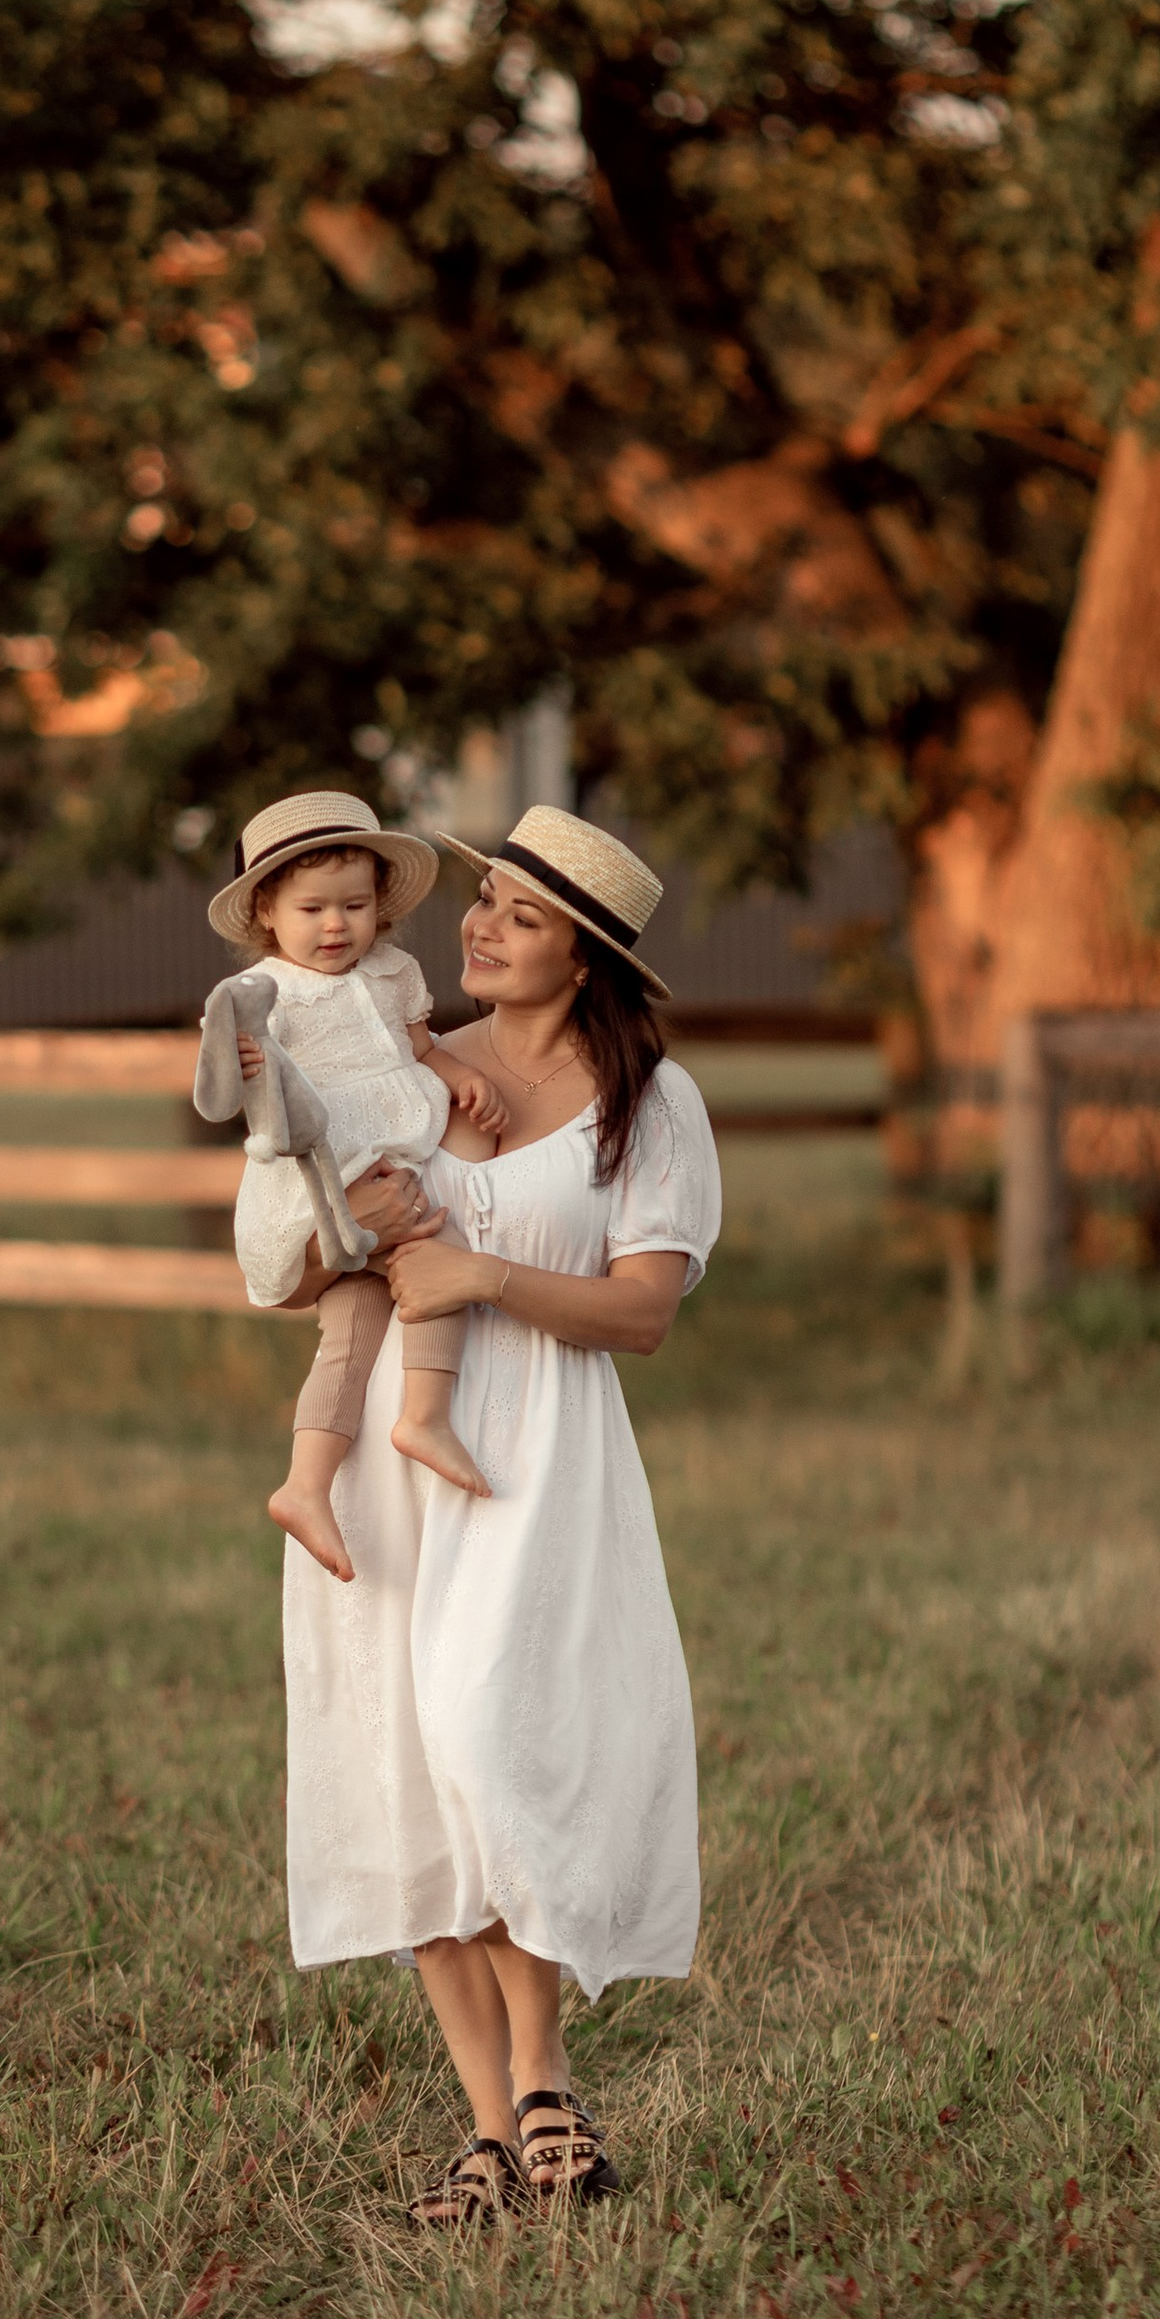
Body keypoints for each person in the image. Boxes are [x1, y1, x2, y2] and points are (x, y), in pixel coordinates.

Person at [273, 805, 721, 2226]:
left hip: (537, 1461)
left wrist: (488, 1283)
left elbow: (644, 1314)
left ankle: (544, 2077)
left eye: (519, 915)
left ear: (581, 954)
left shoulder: (649, 1105)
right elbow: (302, 1250)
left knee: (494, 1741)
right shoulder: (396, 1065)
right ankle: (492, 2128)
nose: (477, 928)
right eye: (480, 904)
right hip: (392, 1471)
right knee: (408, 1779)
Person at [203, 791, 509, 1569]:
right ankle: (336, 1465)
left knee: (399, 1293)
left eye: (355, 905)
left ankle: (387, 1437)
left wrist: (458, 1072)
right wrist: (250, 1069)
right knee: (397, 1279)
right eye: (313, 909)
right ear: (268, 911)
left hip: (393, 1165)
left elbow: (422, 1046)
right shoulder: (266, 995)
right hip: (324, 1178)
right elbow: (237, 1090)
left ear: (380, 907)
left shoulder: (394, 971)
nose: (336, 925)